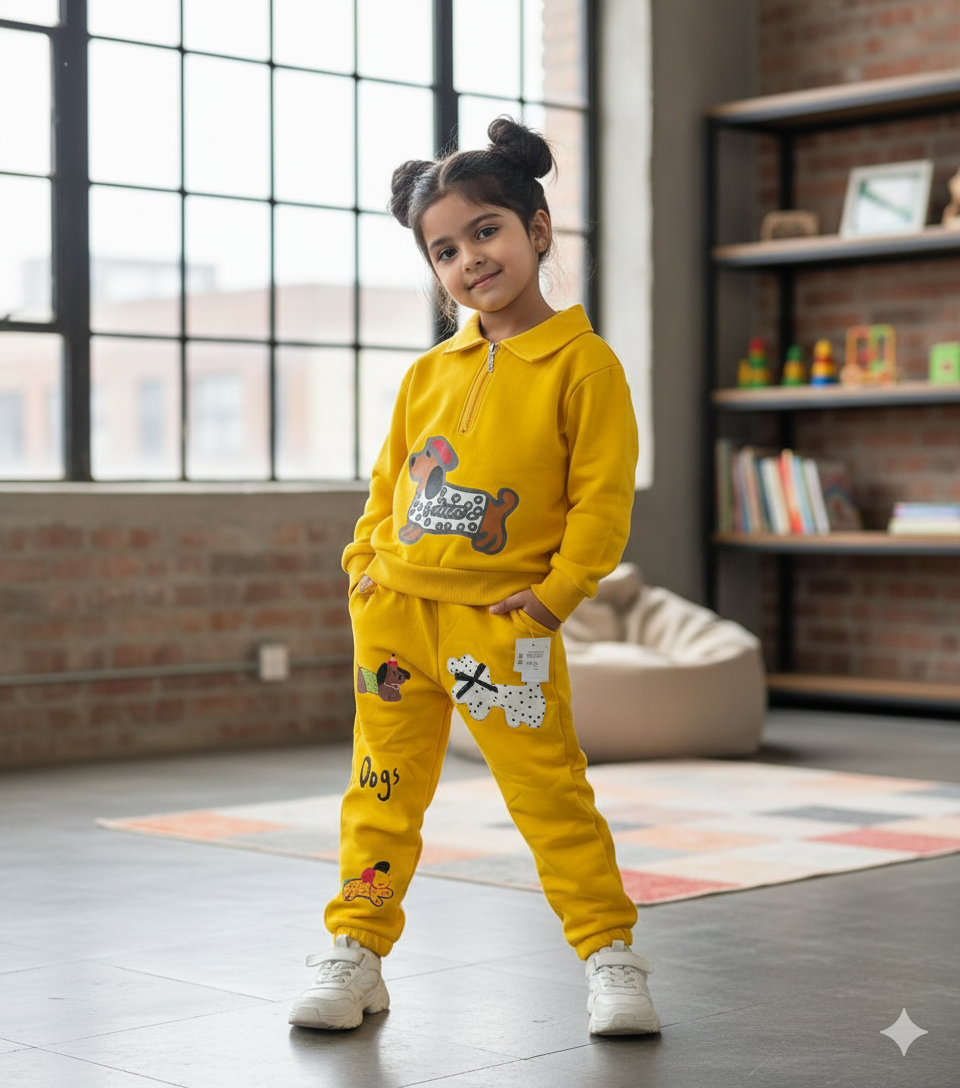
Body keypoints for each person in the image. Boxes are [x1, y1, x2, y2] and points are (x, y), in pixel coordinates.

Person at [289, 117, 659, 1037]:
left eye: (484, 231)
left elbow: (602, 503)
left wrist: (556, 596)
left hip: (502, 628)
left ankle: (610, 954)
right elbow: (387, 485)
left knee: (549, 795)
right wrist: (364, 567)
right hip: (395, 620)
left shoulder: (584, 366)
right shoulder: (427, 373)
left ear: (537, 229)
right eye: (444, 250)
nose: (468, 260)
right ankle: (356, 949)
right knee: (380, 793)